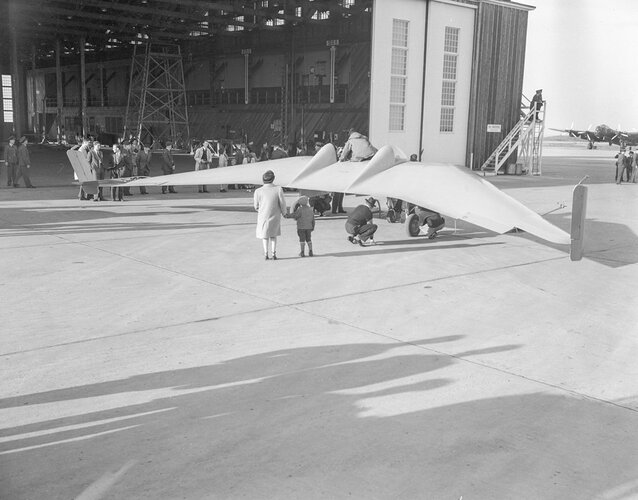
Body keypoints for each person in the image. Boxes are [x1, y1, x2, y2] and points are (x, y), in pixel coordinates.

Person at [253, 169, 287, 260]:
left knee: (265, 236)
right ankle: (273, 253)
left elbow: (256, 206)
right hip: (275, 215)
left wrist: (261, 210)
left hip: (263, 217)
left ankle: (266, 254)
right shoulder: (278, 189)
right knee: (273, 235)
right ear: (273, 179)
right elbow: (282, 203)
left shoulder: (258, 191)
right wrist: (284, 213)